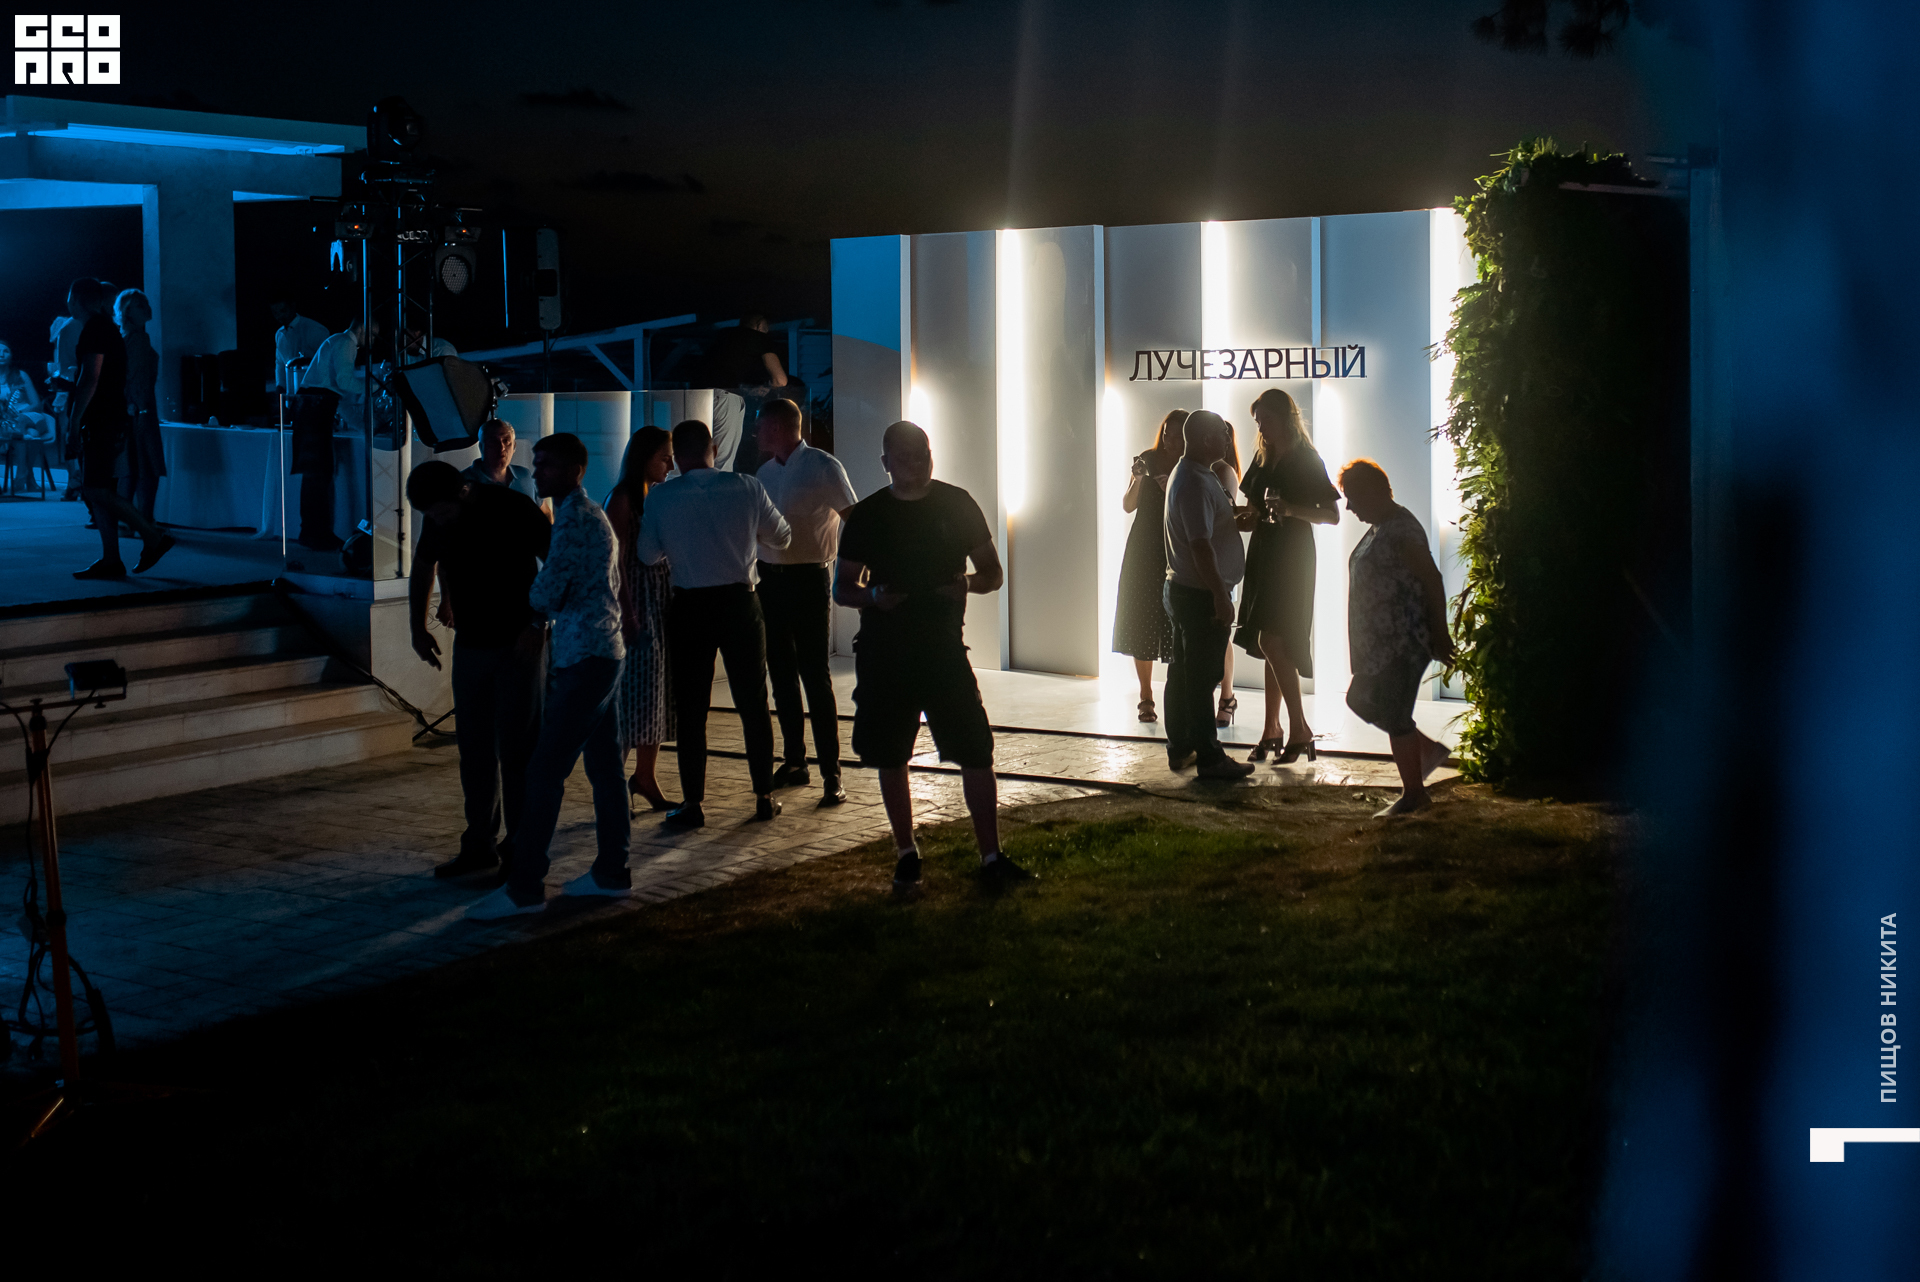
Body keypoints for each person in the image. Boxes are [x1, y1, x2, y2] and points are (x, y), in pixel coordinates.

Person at [833, 420, 1028, 890]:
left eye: (923, 455)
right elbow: (842, 587)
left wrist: (967, 584)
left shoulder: (956, 503)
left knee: (976, 749)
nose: (917, 466)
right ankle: (906, 852)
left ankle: (991, 856)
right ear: (886, 463)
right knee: (890, 752)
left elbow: (993, 572)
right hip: (886, 651)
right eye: (906, 458)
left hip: (942, 647)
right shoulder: (868, 515)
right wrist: (874, 596)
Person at [469, 432, 632, 918]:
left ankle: (524, 886)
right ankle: (611, 871)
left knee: (544, 770)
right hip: (602, 650)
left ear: (575, 471)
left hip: (584, 655)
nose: (537, 472)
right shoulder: (589, 516)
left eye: (547, 465)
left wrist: (533, 608)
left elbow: (547, 590)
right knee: (605, 767)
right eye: (537, 463)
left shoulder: (573, 520)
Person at [637, 419, 792, 828]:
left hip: (690, 607)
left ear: (677, 457)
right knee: (753, 702)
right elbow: (782, 537)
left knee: (692, 708)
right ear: (715, 448)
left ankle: (693, 803)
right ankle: (764, 795)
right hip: (740, 603)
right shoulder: (747, 487)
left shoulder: (662, 497)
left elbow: (647, 554)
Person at [406, 458, 552, 881]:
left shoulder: (512, 508)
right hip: (472, 643)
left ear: (462, 493)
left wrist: (539, 623)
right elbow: (424, 566)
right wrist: (417, 628)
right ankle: (479, 843)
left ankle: (521, 846)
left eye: (442, 512)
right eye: (430, 515)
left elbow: (557, 564)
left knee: (518, 750)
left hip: (517, 642)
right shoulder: (438, 519)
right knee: (474, 749)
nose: (437, 521)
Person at [753, 398, 858, 807]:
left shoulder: (823, 466)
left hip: (809, 578)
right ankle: (795, 761)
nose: (756, 433)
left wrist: (856, 568)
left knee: (815, 675)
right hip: (770, 579)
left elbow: (854, 519)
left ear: (778, 428)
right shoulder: (763, 473)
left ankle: (832, 773)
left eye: (761, 425)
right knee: (781, 674)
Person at [1338, 458, 1455, 817]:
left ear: (1373, 492)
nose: (1349, 507)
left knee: (1395, 714)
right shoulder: (1381, 527)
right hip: (1381, 646)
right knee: (1361, 699)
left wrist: (1440, 634)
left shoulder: (1401, 530)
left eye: (1353, 496)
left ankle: (1414, 794)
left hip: (1403, 642)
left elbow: (1432, 579)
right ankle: (1426, 753)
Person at [1233, 389, 1342, 763]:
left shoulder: (1307, 459)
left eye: (1266, 419)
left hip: (1293, 556)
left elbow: (1332, 515)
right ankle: (1272, 730)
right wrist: (1235, 518)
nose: (1261, 427)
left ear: (1286, 418)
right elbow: (1253, 513)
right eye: (1258, 420)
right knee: (1271, 644)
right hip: (1264, 552)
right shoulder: (1262, 459)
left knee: (1273, 640)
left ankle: (1299, 729)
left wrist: (1291, 510)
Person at [1160, 410, 1256, 780]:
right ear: (1205, 440)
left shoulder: (1193, 474)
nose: (1227, 439)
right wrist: (1219, 594)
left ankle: (1182, 747)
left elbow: (1205, 528)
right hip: (1199, 594)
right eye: (1221, 433)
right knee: (1200, 680)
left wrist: (1231, 520)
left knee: (1184, 674)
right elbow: (1200, 545)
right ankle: (1210, 758)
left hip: (1185, 590)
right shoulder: (1195, 482)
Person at [66, 278, 174, 580]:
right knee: (102, 488)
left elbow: (90, 379)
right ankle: (111, 558)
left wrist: (73, 424)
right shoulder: (107, 329)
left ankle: (152, 536)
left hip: (102, 419)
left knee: (96, 489)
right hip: (112, 418)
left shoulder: (95, 329)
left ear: (76, 300)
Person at [604, 426, 678, 812]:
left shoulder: (654, 495)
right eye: (664, 457)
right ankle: (615, 783)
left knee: (655, 695)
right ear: (644, 458)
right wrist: (628, 611)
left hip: (657, 601)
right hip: (636, 603)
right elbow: (614, 562)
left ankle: (645, 776)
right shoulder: (622, 498)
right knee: (633, 696)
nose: (670, 464)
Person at [1113, 408, 1188, 722]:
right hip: (1143, 546)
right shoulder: (1148, 458)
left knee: (1175, 620)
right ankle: (1146, 695)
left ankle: (1176, 694)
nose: (1170, 441)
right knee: (1140, 615)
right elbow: (1128, 505)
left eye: (1177, 436)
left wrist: (1169, 488)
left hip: (1175, 546)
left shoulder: (1190, 466)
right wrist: (1140, 479)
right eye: (1167, 434)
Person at [291, 319, 374, 550]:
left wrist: (364, 427)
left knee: (317, 474)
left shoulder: (337, 341)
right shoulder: (345, 342)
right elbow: (345, 382)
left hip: (312, 408)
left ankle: (313, 532)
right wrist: (376, 386)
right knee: (318, 474)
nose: (373, 341)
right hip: (314, 409)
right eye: (373, 334)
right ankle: (315, 534)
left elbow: (341, 396)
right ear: (362, 328)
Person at [703, 315, 791, 472]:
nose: (767, 332)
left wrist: (748, 388)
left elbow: (726, 372)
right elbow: (780, 379)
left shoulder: (723, 337)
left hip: (699, 397)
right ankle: (720, 488)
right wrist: (769, 386)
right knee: (723, 461)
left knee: (702, 456)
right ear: (759, 325)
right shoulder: (758, 338)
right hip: (726, 399)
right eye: (766, 329)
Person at [115, 289, 164, 523]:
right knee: (146, 468)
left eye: (145, 303)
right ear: (127, 311)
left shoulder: (128, 338)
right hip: (140, 410)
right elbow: (134, 378)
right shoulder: (137, 339)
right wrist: (138, 406)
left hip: (135, 409)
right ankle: (143, 521)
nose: (146, 307)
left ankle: (130, 520)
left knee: (133, 467)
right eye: (139, 305)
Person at [1215, 425, 1245, 727]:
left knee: (1221, 633)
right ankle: (1226, 697)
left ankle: (1227, 697)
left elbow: (1224, 514)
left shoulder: (1224, 471)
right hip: (1212, 558)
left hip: (1219, 558)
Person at [0, 340, 57, 496]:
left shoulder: (21, 375)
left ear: (11, 355)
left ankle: (20, 476)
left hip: (30, 416)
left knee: (20, 422)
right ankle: (29, 478)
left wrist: (18, 414)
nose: (1, 355)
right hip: (8, 422)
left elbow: (36, 404)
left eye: (5, 351)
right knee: (32, 434)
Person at [460, 417, 539, 502]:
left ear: (514, 446)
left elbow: (543, 509)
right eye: (493, 442)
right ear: (481, 447)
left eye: (506, 441)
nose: (501, 448)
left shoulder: (524, 476)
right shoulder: (463, 482)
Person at [48, 306, 81, 499]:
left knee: (70, 436)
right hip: (70, 389)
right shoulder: (71, 327)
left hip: (70, 389)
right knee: (71, 436)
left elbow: (63, 369)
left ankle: (74, 481)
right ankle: (75, 481)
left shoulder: (67, 328)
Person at [268, 296, 329, 396]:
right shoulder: (279, 335)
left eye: (283, 311)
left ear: (292, 306)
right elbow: (280, 364)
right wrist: (280, 386)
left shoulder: (314, 329)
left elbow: (328, 362)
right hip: (292, 393)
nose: (279, 316)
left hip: (314, 392)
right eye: (275, 313)